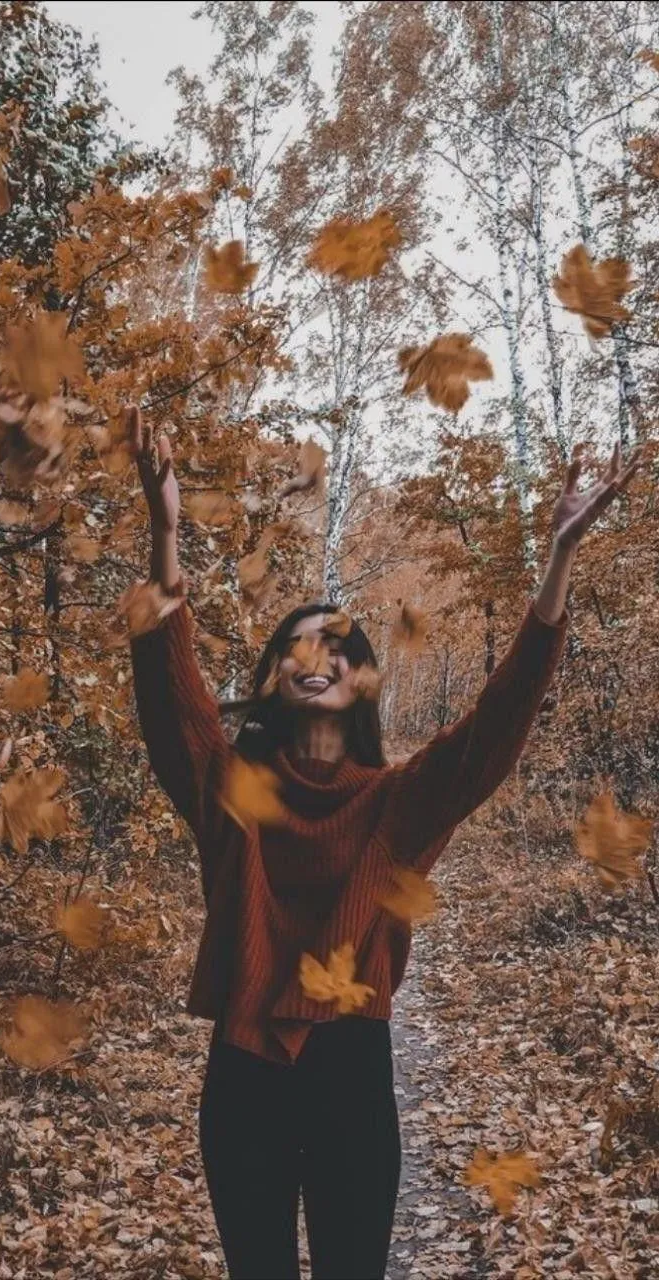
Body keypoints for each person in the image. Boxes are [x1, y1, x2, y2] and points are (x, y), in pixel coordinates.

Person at [127, 405, 641, 1280]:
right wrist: (163, 528)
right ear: (274, 679)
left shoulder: (398, 802)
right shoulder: (233, 792)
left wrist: (557, 559)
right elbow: (173, 703)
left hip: (351, 1072)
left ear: (360, 677)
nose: (310, 654)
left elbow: (495, 725)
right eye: (292, 647)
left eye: (332, 644)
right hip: (243, 1075)